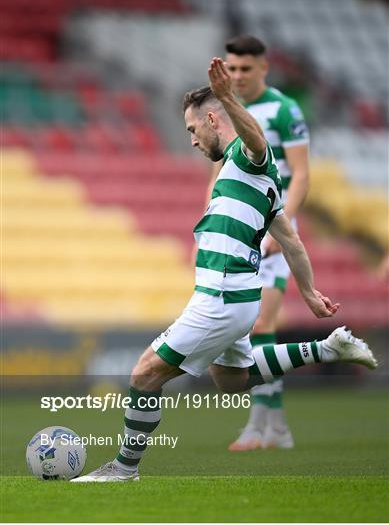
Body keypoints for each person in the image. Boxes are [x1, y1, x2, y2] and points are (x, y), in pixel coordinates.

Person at [72, 58, 377, 482]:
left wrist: (231, 97)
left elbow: (256, 142)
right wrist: (308, 292)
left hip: (220, 297)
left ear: (213, 119)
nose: (193, 141)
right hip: (237, 298)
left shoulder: (248, 158)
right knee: (232, 380)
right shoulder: (258, 184)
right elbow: (291, 241)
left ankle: (123, 469)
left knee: (143, 374)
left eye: (193, 131)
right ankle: (326, 348)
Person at [204, 35, 311, 451]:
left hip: (272, 230)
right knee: (250, 329)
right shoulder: (227, 110)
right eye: (231, 69)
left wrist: (280, 229)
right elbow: (219, 167)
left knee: (262, 323)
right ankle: (276, 426)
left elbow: (300, 174)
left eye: (246, 69)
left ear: (264, 68)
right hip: (236, 229)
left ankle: (259, 426)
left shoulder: (284, 110)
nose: (237, 76)